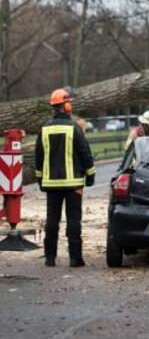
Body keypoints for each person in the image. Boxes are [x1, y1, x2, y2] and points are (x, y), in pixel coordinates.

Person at [35, 88, 95, 267]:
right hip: (73, 184)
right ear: (67, 106)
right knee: (73, 220)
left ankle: (49, 258)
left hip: (51, 184)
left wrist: (40, 179)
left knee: (52, 220)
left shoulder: (44, 129)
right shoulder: (74, 128)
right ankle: (75, 258)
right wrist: (90, 174)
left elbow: (39, 157)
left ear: (53, 108)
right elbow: (85, 152)